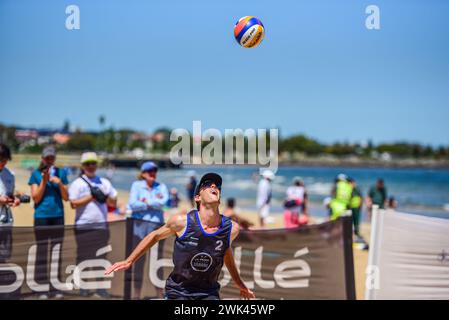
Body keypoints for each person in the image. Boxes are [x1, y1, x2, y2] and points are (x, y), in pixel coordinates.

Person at [105, 173, 255, 300]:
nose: (214, 187)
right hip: (179, 291)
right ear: (197, 197)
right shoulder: (182, 222)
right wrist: (129, 260)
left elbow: (225, 252)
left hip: (209, 293)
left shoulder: (231, 228)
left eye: (217, 186)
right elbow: (155, 235)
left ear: (220, 198)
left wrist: (240, 284)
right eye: (208, 184)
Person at [69, 152, 118, 298]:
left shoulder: (104, 182)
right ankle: (83, 286)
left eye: (93, 163)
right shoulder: (77, 183)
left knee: (101, 257)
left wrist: (105, 196)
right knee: (83, 256)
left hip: (101, 226)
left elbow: (113, 202)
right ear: (83, 166)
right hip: (83, 225)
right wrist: (92, 196)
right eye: (88, 164)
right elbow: (73, 203)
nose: (91, 166)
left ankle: (100, 287)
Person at [28, 145, 69, 299]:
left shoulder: (61, 173)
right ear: (42, 158)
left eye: (52, 158)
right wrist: (44, 182)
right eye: (47, 158)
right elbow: (36, 197)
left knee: (57, 251)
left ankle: (55, 286)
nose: (50, 161)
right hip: (42, 216)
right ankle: (41, 287)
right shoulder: (35, 174)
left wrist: (59, 183)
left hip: (58, 215)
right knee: (42, 251)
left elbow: (66, 197)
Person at [127, 161, 169, 299]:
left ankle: (159, 295)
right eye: (150, 171)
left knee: (158, 263)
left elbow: (164, 202)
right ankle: (137, 295)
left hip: (157, 230)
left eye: (154, 171)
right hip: (139, 230)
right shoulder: (136, 185)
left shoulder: (161, 186)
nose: (153, 173)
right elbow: (132, 204)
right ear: (143, 173)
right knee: (138, 262)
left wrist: (145, 201)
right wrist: (153, 203)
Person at [0, 144, 22, 300]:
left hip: (5, 223)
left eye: (6, 160)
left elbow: (10, 195)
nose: (3, 163)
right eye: (1, 160)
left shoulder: (10, 175)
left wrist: (14, 200)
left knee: (3, 258)